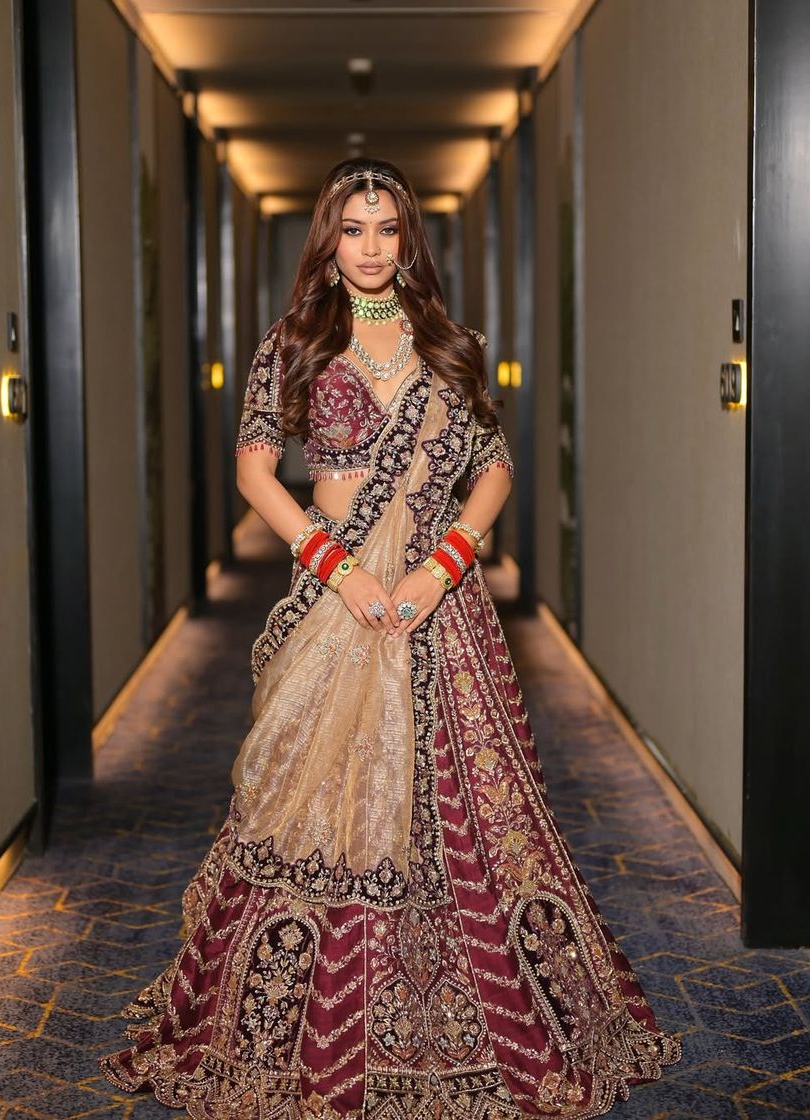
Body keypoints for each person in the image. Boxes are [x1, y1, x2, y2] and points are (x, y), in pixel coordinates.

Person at [100, 158, 681, 1118]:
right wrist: (342, 571)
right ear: (327, 239)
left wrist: (442, 563)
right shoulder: (293, 342)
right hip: (340, 603)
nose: (370, 247)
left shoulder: (450, 342)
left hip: (440, 605)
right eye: (352, 228)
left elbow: (493, 467)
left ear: (408, 236)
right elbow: (254, 475)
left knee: (472, 814)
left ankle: (487, 1015)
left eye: (387, 228)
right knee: (316, 802)